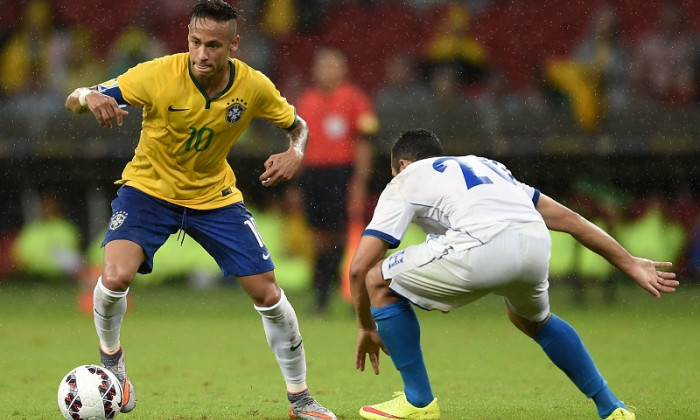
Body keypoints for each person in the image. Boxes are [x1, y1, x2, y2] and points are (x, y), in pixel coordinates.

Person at [64, 1, 336, 419]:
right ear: (187, 39)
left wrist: (295, 152)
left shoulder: (253, 86)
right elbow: (74, 99)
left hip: (214, 197)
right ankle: (112, 361)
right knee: (115, 275)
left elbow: (298, 125)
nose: (202, 54)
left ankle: (301, 400)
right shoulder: (156, 74)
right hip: (148, 190)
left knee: (267, 292)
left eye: (213, 45)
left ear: (234, 45)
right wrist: (90, 96)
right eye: (195, 42)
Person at [349, 129, 678, 420]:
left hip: (480, 247)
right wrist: (630, 262)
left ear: (403, 165)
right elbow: (571, 221)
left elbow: (359, 269)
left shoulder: (406, 179)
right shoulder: (487, 167)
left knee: (379, 279)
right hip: (535, 245)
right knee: (534, 320)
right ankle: (612, 407)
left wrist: (367, 326)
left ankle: (418, 402)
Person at [296, 46, 379, 315]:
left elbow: (365, 142)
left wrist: (360, 180)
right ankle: (322, 294)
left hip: (341, 173)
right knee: (319, 237)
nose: (327, 71)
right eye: (323, 66)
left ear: (343, 70)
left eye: (333, 66)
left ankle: (333, 292)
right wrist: (294, 183)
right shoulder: (306, 100)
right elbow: (297, 143)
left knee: (339, 235)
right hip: (313, 175)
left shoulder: (355, 99)